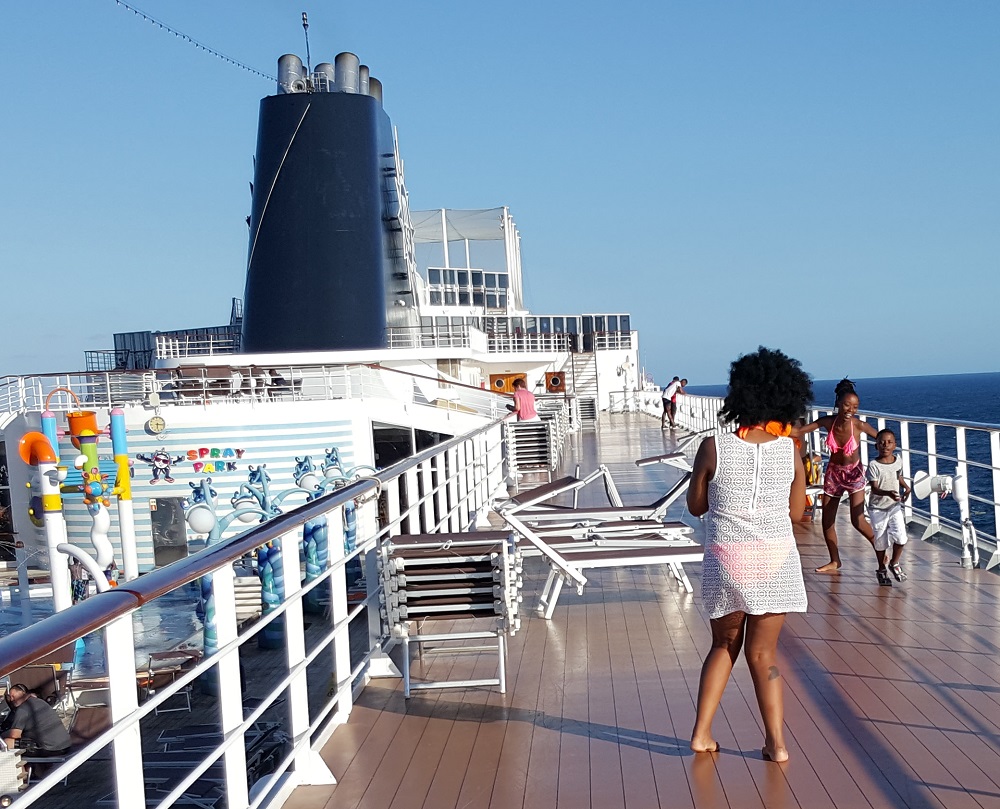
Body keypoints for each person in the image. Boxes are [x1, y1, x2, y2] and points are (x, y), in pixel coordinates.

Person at [687, 347, 810, 763]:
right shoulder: (789, 450)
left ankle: (702, 733)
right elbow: (796, 513)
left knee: (724, 644)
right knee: (764, 655)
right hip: (775, 560)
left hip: (728, 558)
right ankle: (776, 744)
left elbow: (697, 506)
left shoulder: (713, 446)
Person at [794, 378, 880, 576]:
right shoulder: (828, 422)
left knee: (857, 521)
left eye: (855, 406)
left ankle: (882, 555)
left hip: (854, 474)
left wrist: (886, 462)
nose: (851, 409)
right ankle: (835, 560)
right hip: (834, 473)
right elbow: (800, 431)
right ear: (838, 404)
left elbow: (882, 438)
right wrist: (769, 428)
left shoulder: (858, 425)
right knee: (827, 521)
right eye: (847, 405)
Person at [867, 429, 911, 584]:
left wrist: (906, 487)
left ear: (895, 445)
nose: (885, 445)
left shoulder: (898, 460)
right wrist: (888, 493)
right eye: (882, 442)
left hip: (894, 506)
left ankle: (894, 563)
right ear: (876, 446)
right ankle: (881, 568)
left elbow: (897, 476)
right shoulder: (874, 465)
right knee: (880, 541)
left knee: (901, 537)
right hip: (877, 508)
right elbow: (874, 488)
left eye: (889, 442)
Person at [2, 684, 72, 772]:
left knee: (6, 743)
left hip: (51, 749)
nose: (12, 699)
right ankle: (34, 771)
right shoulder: (39, 701)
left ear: (23, 693)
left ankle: (22, 776)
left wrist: (3, 734)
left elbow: (14, 735)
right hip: (65, 745)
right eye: (10, 697)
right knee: (24, 742)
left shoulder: (22, 709)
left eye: (13, 696)